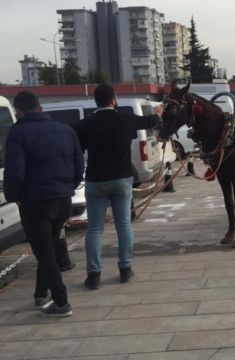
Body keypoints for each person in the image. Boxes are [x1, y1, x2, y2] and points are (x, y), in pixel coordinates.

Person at [4, 91, 84, 317]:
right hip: (62, 201)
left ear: (18, 111)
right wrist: (67, 187)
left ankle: (61, 302)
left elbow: (15, 173)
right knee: (46, 247)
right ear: (40, 108)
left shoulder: (17, 133)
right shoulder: (66, 130)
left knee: (45, 253)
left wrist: (14, 197)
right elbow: (79, 165)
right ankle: (40, 294)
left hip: (34, 203)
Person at [76, 84, 163, 290]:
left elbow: (78, 147)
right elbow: (149, 121)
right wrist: (158, 113)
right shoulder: (126, 119)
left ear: (95, 101)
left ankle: (94, 275)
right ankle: (125, 269)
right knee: (123, 225)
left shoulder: (86, 124)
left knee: (95, 228)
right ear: (113, 99)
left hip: (95, 180)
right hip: (122, 179)